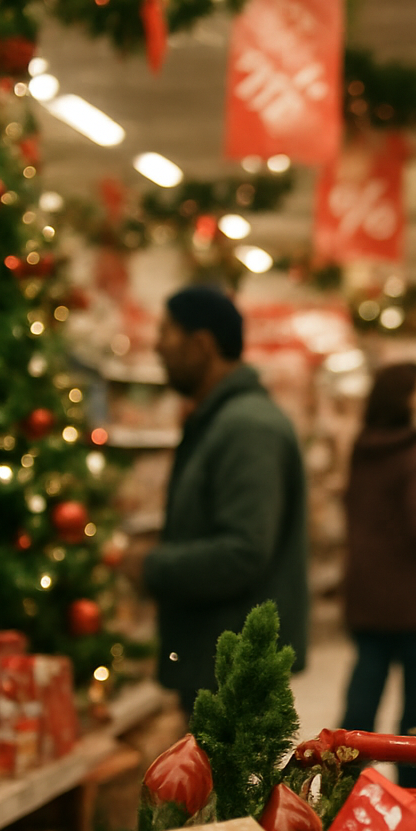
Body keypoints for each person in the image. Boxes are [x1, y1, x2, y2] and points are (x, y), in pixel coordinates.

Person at [127, 285, 310, 715]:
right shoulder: (221, 419)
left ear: (202, 344)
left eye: (166, 332)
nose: (157, 345)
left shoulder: (246, 427)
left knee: (221, 783)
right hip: (216, 658)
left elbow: (244, 551)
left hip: (231, 666)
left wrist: (150, 565)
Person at [340, 362, 416, 789]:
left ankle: (341, 785)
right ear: (407, 400)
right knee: (413, 711)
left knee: (360, 701)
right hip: (415, 599)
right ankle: (410, 799)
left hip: (367, 588)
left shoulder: (363, 445)